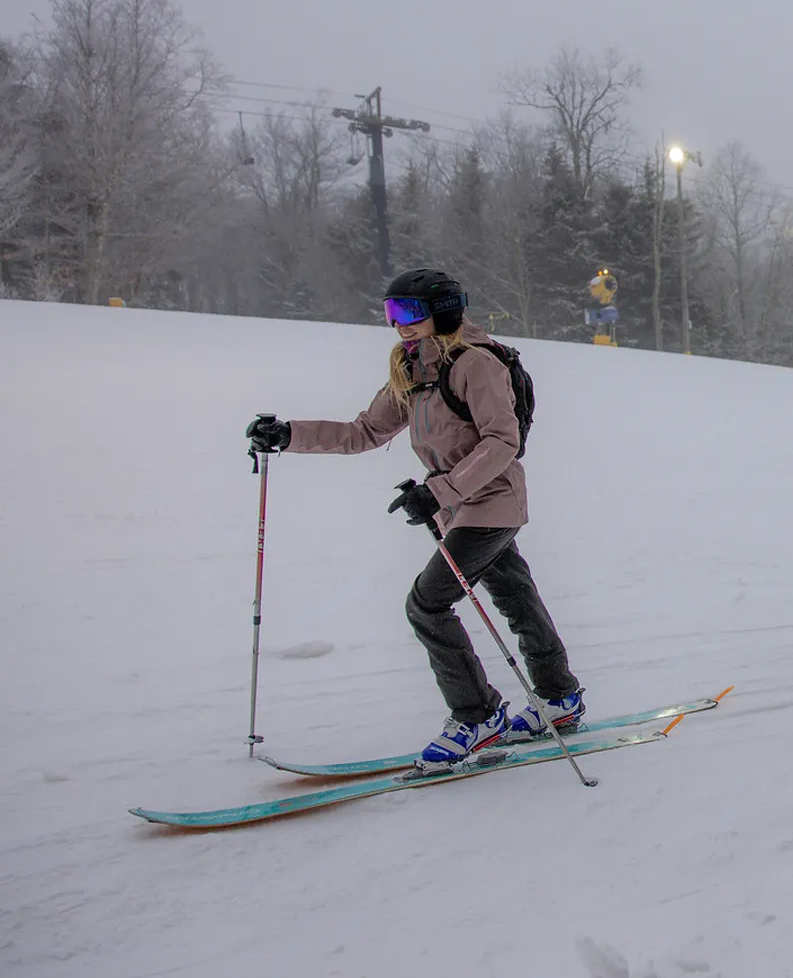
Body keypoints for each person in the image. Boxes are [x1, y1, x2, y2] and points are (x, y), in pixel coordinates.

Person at [243, 268, 585, 774]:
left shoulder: (475, 364)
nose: (399, 324)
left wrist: (439, 491)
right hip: (459, 507)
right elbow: (364, 431)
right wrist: (289, 434)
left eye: (410, 313)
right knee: (516, 597)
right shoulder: (414, 369)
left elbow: (502, 442)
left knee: (427, 604)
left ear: (443, 311)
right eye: (392, 313)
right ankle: (559, 698)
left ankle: (478, 715)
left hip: (491, 503)